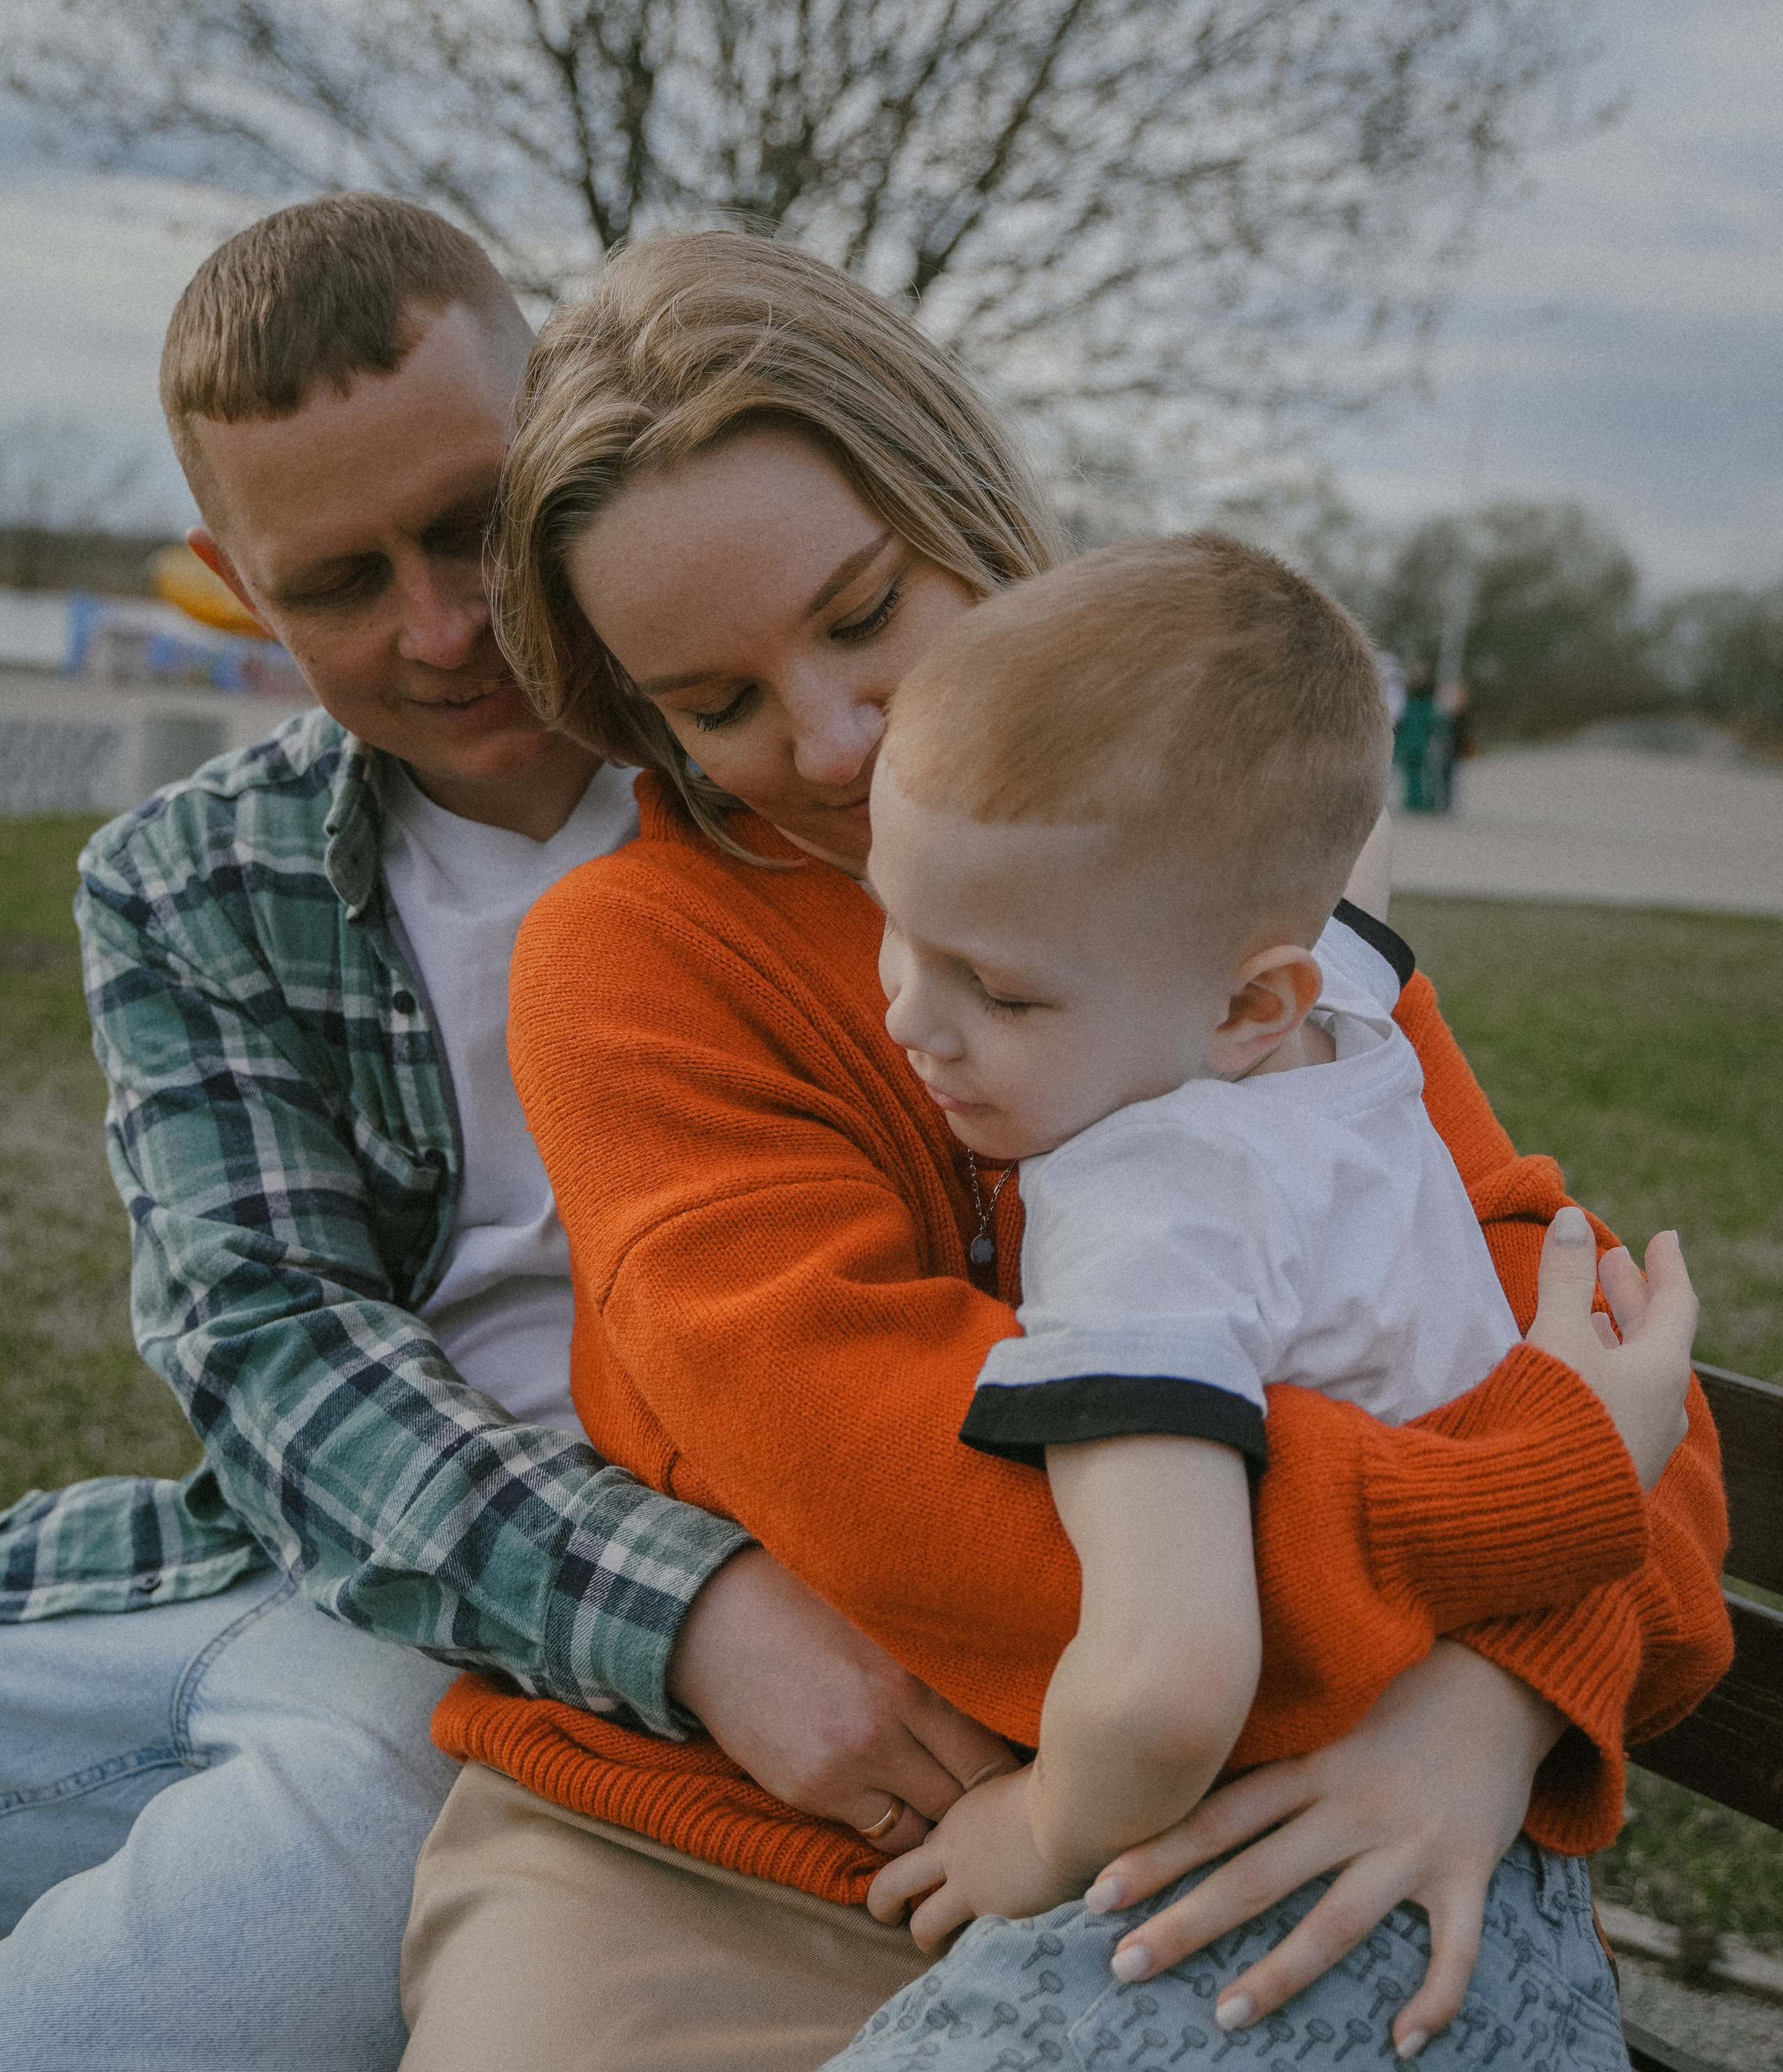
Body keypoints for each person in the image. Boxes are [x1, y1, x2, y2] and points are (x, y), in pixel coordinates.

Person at [398, 231, 1730, 2071]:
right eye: (714, 705)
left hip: (1259, 1812)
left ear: (961, 501)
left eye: (862, 613)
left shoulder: (1214, 878)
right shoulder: (626, 969)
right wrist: (1518, 1519)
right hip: (724, 1860)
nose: (831, 739)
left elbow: (1601, 1375)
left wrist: (1492, 1708)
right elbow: (955, 1521)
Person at [0, 196, 1012, 2071]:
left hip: (545, 1663)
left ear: (555, 431)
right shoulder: (191, 877)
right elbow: (275, 1352)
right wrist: (693, 1615)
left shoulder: (811, 768)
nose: (445, 629)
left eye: (471, 524)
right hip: (359, 1556)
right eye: (336, 583)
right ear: (234, 581)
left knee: (177, 1991)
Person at [814, 534, 1697, 2068]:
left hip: (1286, 1891)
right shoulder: (1338, 1006)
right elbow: (1339, 833)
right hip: (1505, 1867)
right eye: (895, 921)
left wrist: (1035, 1828)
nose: (909, 1018)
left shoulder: (1147, 1217)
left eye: (999, 990)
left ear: (1245, 1004)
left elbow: (1166, 1687)